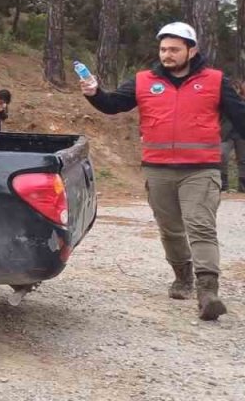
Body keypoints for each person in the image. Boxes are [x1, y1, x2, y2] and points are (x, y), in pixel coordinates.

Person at [82, 21, 245, 321]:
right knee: (170, 230)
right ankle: (183, 276)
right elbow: (113, 104)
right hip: (158, 170)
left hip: (201, 170)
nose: (167, 55)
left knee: (200, 226)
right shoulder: (144, 80)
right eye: (163, 49)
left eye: (174, 49)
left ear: (191, 50)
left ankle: (208, 291)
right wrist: (94, 92)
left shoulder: (215, 80)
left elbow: (240, 118)